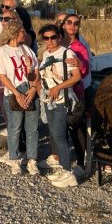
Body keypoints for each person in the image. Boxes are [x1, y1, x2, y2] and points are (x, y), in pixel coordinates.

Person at [37, 24, 81, 189]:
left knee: (60, 135)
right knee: (54, 134)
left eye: (53, 37)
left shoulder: (67, 53)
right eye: (46, 38)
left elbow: (76, 76)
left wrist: (58, 87)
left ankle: (68, 172)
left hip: (63, 100)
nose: (50, 41)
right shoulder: (46, 53)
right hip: (49, 100)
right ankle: (63, 168)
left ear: (59, 37)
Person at [0, 19, 40, 175]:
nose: (25, 34)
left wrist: (33, 87)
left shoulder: (27, 50)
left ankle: (32, 160)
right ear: (14, 33)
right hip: (13, 92)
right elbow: (2, 75)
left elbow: (35, 73)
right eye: (22, 32)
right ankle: (14, 159)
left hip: (29, 90)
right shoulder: (2, 51)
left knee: (32, 128)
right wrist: (16, 93)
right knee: (15, 127)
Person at [61, 13, 90, 177]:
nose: (72, 25)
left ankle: (81, 163)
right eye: (69, 22)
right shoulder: (57, 43)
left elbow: (85, 70)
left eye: (76, 23)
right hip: (58, 93)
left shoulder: (80, 47)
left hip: (75, 93)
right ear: (63, 24)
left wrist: (80, 64)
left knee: (76, 128)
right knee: (60, 128)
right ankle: (63, 163)